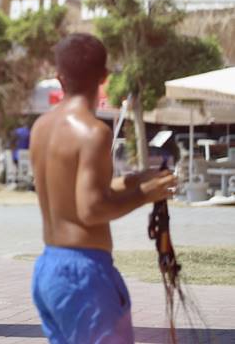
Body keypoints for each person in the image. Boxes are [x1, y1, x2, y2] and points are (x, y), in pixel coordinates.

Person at [30, 33, 177, 344]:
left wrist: (134, 180)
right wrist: (145, 195)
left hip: (48, 269)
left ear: (59, 76)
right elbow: (91, 208)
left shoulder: (41, 128)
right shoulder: (94, 132)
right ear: (104, 76)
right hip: (85, 273)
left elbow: (78, 191)